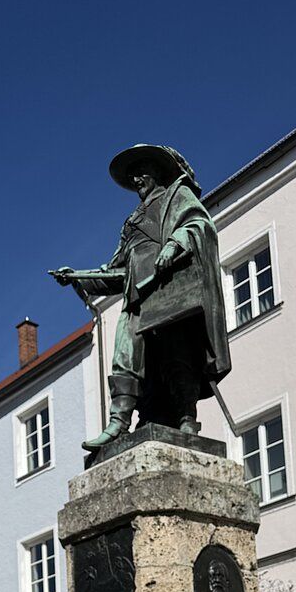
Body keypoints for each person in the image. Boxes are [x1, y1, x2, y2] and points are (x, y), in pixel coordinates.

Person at [53, 144, 230, 451]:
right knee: (125, 355)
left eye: (142, 172)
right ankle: (118, 423)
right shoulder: (132, 222)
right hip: (138, 298)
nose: (137, 179)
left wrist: (174, 244)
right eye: (133, 175)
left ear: (158, 171)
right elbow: (115, 271)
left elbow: (199, 225)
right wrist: (79, 277)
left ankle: (187, 418)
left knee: (178, 354)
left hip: (172, 292)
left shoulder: (177, 196)